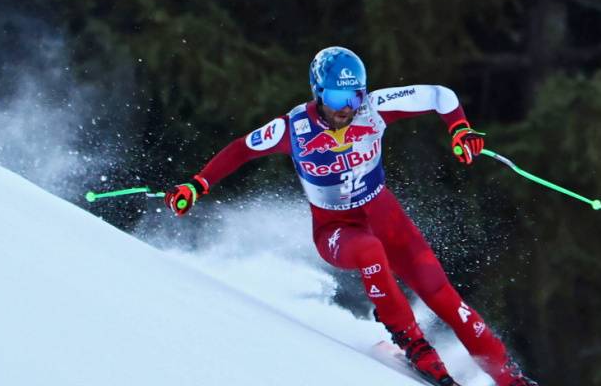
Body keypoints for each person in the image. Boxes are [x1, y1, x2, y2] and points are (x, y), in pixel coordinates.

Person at [166, 46, 537, 386]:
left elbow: (441, 96)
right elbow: (241, 150)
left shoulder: (374, 109)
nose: (347, 107)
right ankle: (411, 340)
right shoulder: (294, 128)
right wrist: (197, 185)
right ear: (318, 92)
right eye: (338, 97)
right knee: (369, 251)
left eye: (355, 95)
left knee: (442, 294)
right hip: (335, 228)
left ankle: (508, 377)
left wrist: (459, 128)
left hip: (382, 212)